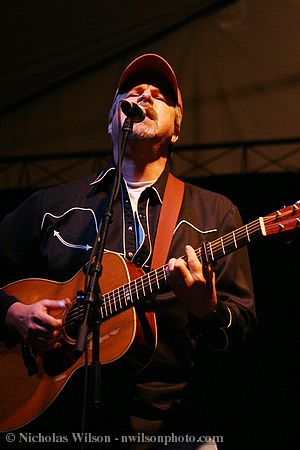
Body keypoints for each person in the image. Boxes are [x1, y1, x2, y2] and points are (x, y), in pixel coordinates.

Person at [0, 54, 256, 449]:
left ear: (176, 130)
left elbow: (242, 339)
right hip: (55, 421)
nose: (145, 97)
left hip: (175, 430)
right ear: (111, 120)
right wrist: (13, 313)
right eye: (133, 93)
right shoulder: (51, 206)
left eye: (159, 95)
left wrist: (205, 311)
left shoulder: (215, 213)